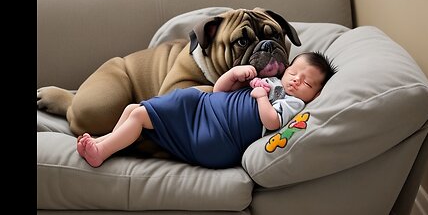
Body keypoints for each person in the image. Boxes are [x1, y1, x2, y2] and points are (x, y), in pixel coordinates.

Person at [77, 51, 336, 168]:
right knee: (135, 108)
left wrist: (259, 97)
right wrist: (234, 75)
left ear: (317, 93)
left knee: (139, 114)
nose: (296, 80)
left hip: (218, 135)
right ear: (286, 69)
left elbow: (270, 122)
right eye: (293, 72)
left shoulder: (294, 104)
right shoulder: (273, 82)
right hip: (204, 108)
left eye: (307, 82)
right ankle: (106, 142)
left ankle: (100, 152)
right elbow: (218, 92)